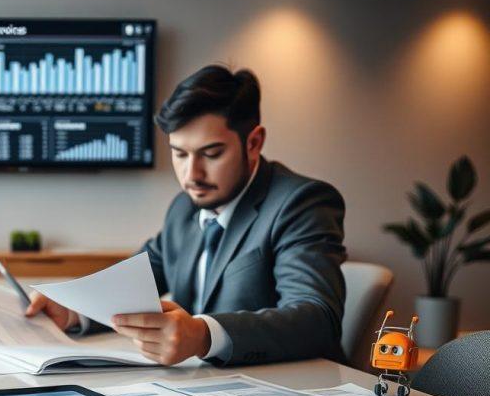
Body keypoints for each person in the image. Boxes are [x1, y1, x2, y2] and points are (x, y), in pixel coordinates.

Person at [26, 65, 347, 366]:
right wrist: (73, 310)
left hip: (295, 395)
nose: (191, 174)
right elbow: (130, 287)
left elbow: (317, 318)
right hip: (205, 392)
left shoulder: (301, 203)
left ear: (254, 142)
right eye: (179, 153)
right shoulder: (184, 208)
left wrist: (203, 335)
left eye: (211, 154)